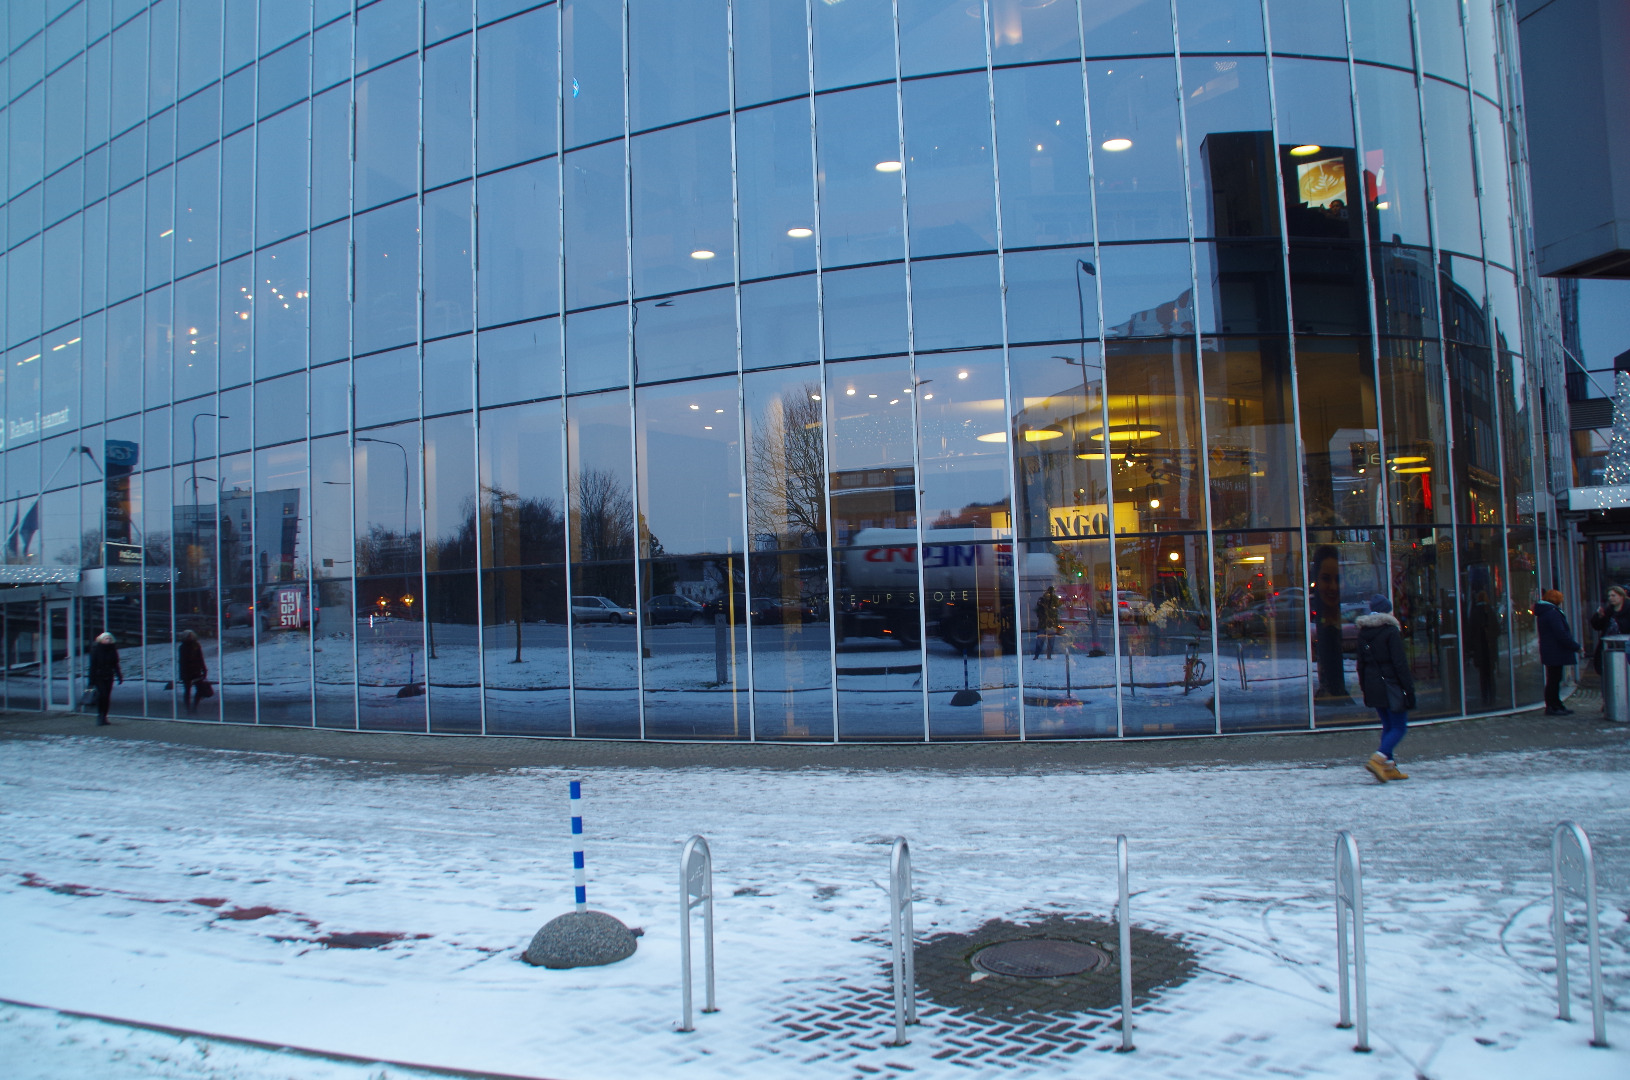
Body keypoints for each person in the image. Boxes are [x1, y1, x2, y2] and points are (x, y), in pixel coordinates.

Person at [1356, 594, 1415, 782]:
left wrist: (1365, 688)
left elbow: (1361, 664)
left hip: (1373, 685)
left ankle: (1389, 766)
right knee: (1399, 726)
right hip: (1391, 684)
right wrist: (1409, 689)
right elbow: (1400, 664)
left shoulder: (1363, 632)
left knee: (1388, 725)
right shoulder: (1391, 631)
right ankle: (1379, 758)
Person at [1535, 588, 1581, 715]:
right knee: (1554, 680)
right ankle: (1553, 705)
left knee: (1553, 678)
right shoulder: (1552, 613)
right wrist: (1575, 646)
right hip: (1555, 651)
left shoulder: (1546, 613)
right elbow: (1560, 634)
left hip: (1551, 650)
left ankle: (1555, 704)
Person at [1466, 591, 1500, 707]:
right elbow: (1497, 630)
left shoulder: (1475, 612)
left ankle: (1485, 697)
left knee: (1483, 676)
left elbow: (1470, 632)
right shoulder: (1489, 611)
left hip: (1480, 649)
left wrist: (1471, 649)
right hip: (1490, 649)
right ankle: (1492, 697)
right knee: (1490, 675)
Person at [1588, 585, 1630, 674]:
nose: (1610, 598)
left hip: (1625, 644)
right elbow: (1597, 626)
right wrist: (1599, 616)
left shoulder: (1628, 608)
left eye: (1613, 595)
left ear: (1621, 596)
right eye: (1609, 596)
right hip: (1609, 644)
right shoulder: (1609, 610)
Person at [88, 632, 123, 726]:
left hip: (109, 675)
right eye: (106, 638)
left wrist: (119, 676)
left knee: (107, 696)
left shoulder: (112, 650)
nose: (108, 640)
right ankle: (100, 715)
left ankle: (104, 716)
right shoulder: (96, 649)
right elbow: (92, 666)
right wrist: (91, 680)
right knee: (102, 695)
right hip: (99, 676)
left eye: (109, 639)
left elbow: (115, 664)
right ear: (101, 639)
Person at [178, 629, 207, 712]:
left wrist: (203, 669)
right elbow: (182, 661)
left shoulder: (196, 645)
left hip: (196, 671)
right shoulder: (183, 647)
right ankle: (188, 708)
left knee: (199, 689)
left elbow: (200, 658)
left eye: (191, 636)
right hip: (187, 672)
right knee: (187, 691)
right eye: (188, 636)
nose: (190, 637)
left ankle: (194, 707)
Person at [1033, 585, 1060, 660]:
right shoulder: (1043, 601)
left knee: (1043, 641)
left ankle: (1040, 655)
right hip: (1046, 624)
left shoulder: (1050, 601)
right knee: (1044, 641)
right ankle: (1041, 655)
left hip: (1046, 624)